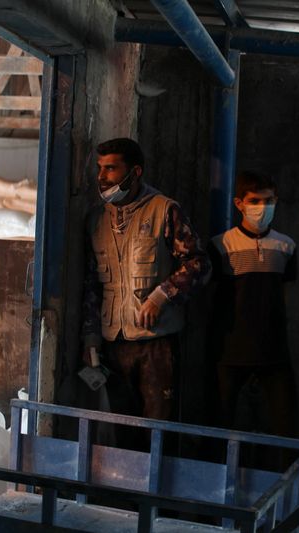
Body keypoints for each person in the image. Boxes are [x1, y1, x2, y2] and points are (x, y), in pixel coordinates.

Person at [81, 138, 211, 434]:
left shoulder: (164, 210)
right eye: (100, 168)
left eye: (111, 169)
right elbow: (92, 283)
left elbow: (199, 264)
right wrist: (90, 337)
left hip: (157, 345)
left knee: (156, 432)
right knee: (120, 431)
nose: (102, 177)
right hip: (113, 345)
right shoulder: (96, 220)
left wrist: (161, 296)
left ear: (135, 171)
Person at [208, 170, 298, 441]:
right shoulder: (221, 245)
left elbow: (284, 294)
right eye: (255, 201)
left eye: (268, 201)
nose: (262, 208)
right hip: (230, 350)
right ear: (239, 204)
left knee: (287, 425)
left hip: (274, 349)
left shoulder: (286, 246)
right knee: (218, 424)